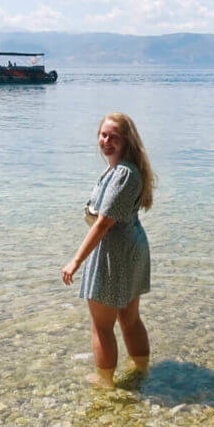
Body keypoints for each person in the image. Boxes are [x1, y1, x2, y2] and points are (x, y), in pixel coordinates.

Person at [61, 113, 155, 388]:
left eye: (114, 136)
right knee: (129, 318)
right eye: (103, 135)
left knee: (102, 326)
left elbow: (103, 223)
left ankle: (105, 382)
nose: (106, 140)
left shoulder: (123, 173)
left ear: (127, 140)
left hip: (116, 251)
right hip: (130, 246)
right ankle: (141, 371)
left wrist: (75, 261)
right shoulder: (120, 170)